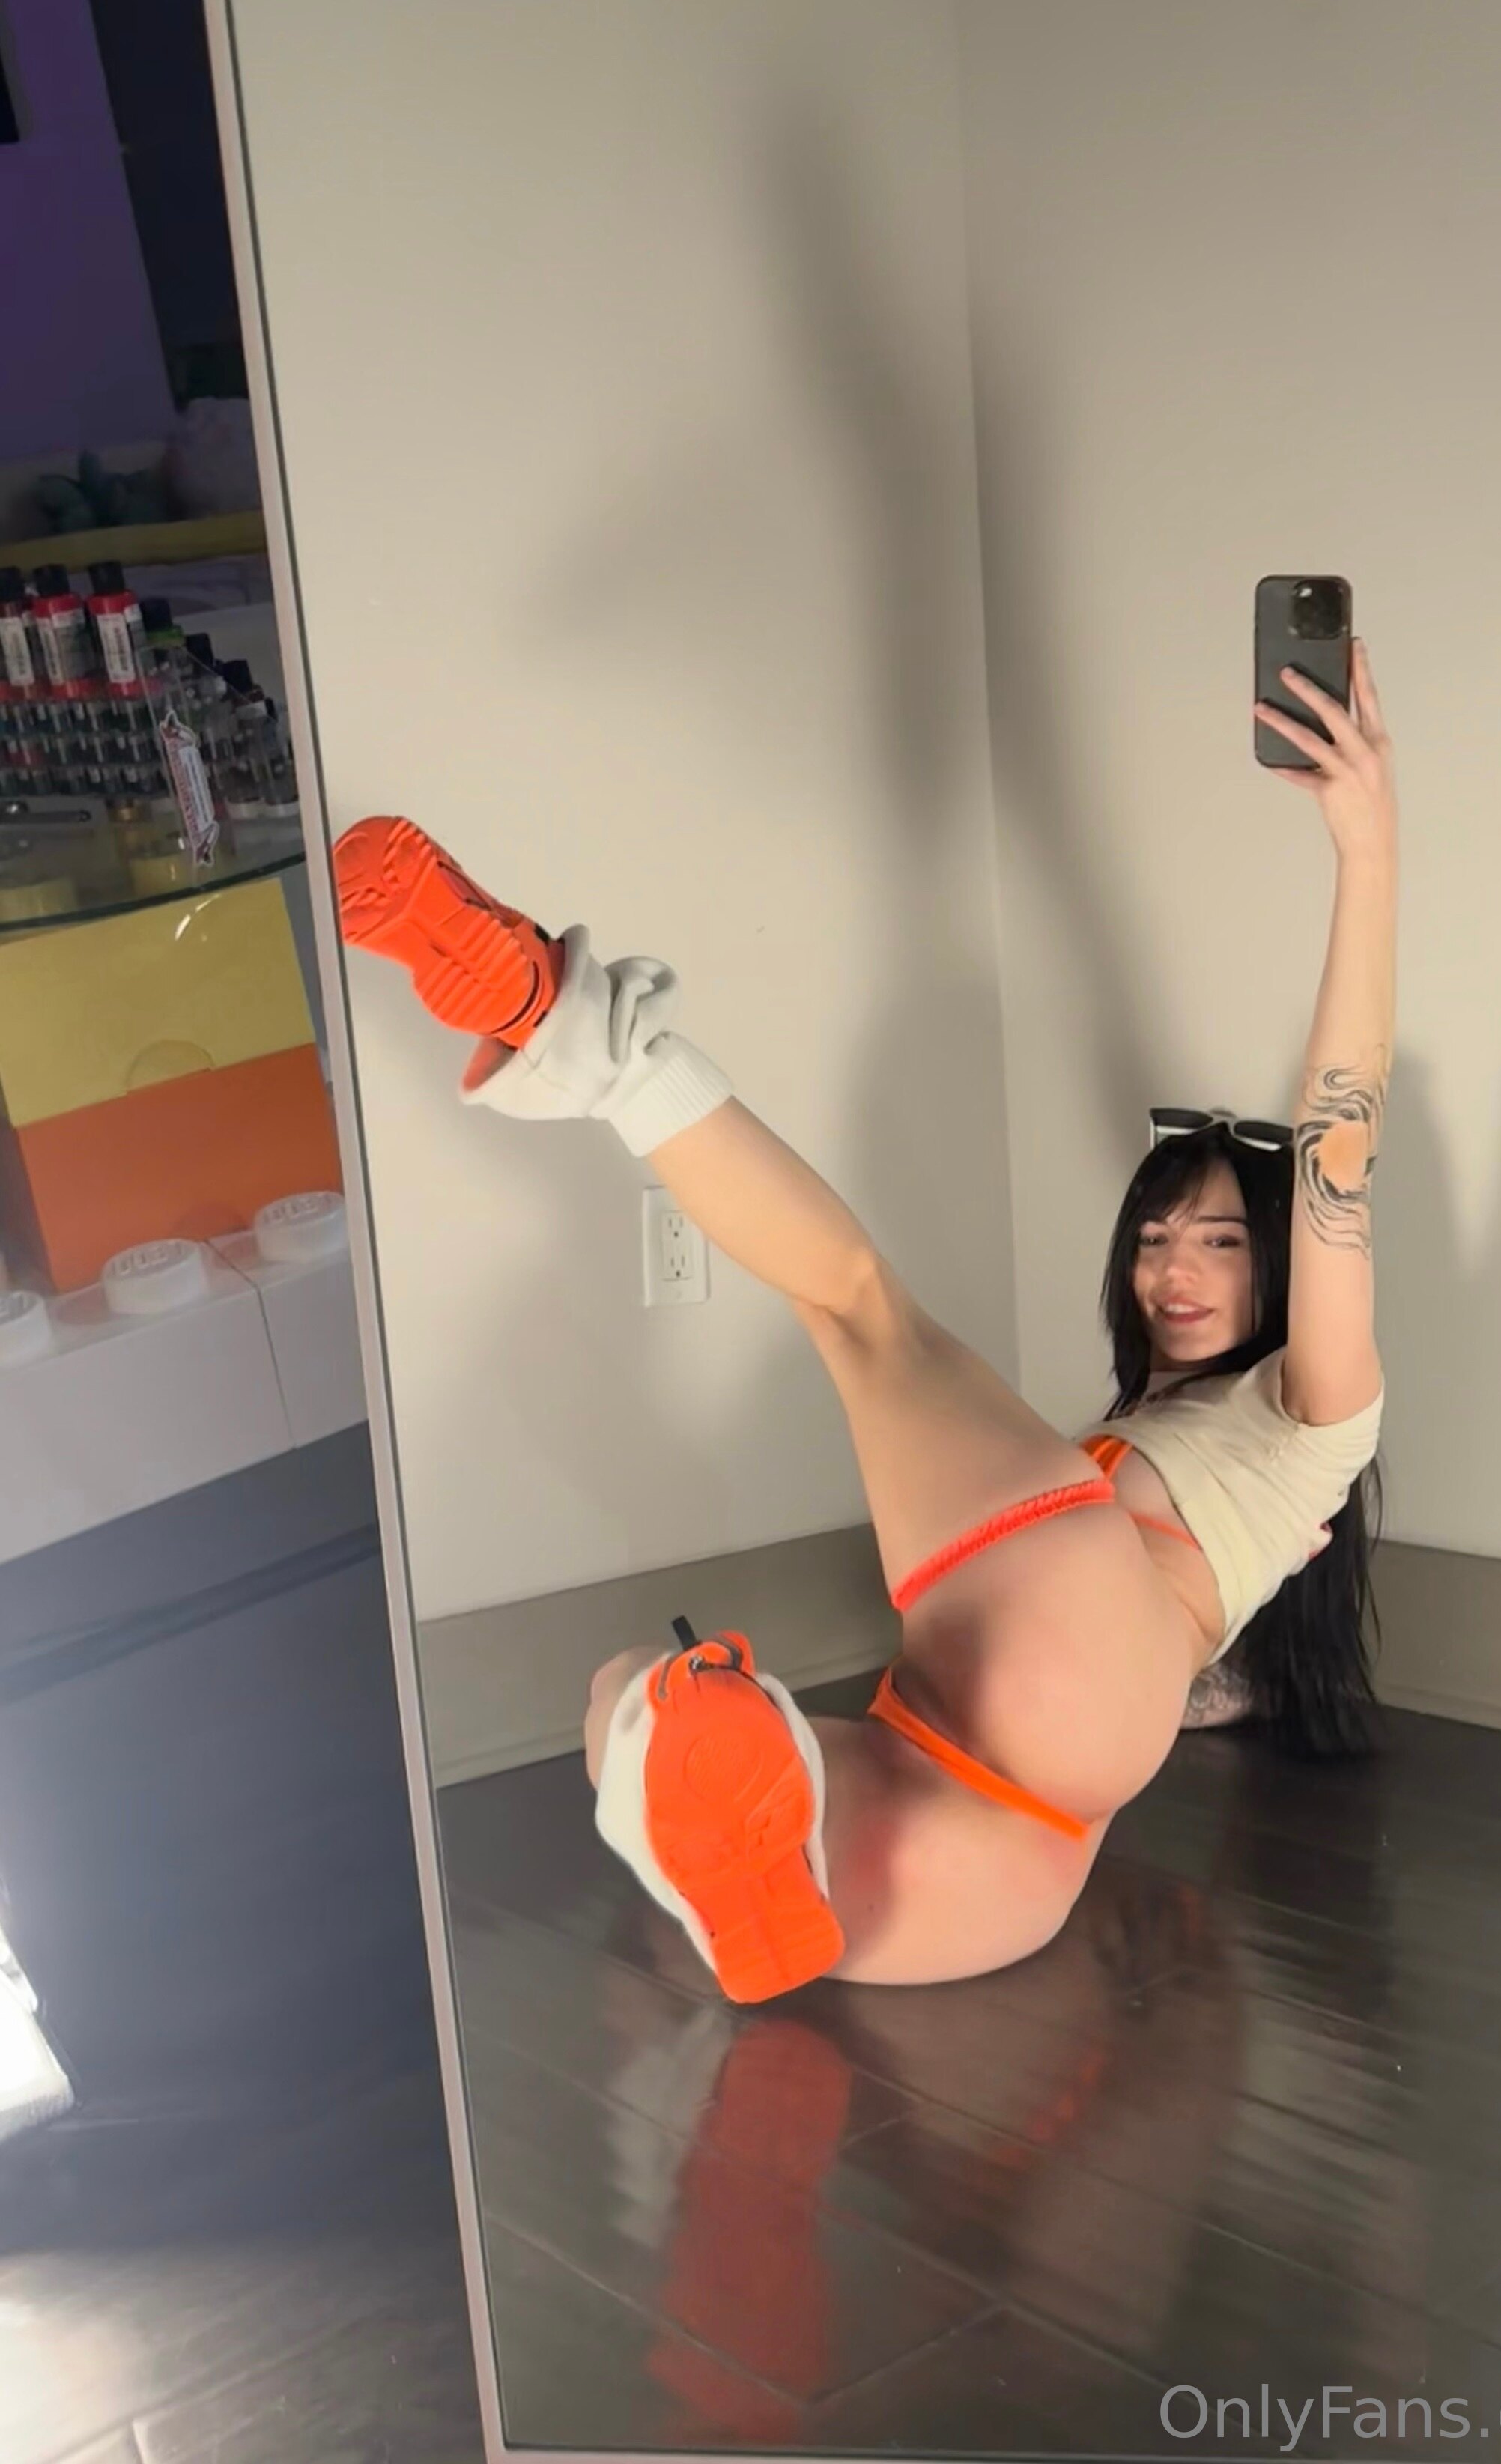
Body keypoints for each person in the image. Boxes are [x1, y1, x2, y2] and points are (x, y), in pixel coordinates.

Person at [334, 643, 1395, 2006]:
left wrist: (1367, 850)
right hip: (1038, 1804)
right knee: (633, 1711)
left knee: (853, 1307)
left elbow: (1338, 1141)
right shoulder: (1206, 1465)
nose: (1170, 1272)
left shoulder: (1324, 1406)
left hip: (1036, 1672)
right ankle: (725, 1770)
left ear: (1283, 1264)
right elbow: (1176, 1655)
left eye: (1221, 1240)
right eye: (1151, 1238)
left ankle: (576, 1026)